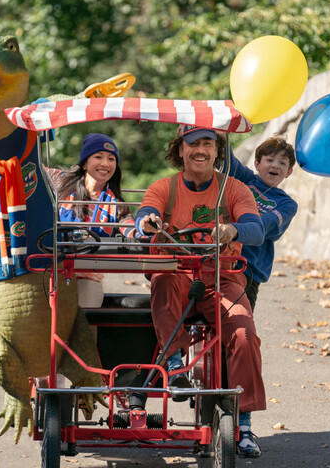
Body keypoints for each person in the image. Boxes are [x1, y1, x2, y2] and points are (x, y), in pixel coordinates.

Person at [134, 124, 266, 458]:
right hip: (176, 273)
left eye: (208, 144)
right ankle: (176, 366)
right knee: (162, 280)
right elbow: (145, 213)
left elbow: (256, 229)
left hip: (219, 276)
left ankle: (244, 423)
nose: (200, 150)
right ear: (180, 150)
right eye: (193, 144)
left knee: (245, 333)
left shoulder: (234, 189)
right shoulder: (165, 187)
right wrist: (148, 222)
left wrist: (233, 229)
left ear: (218, 150)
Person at [50, 133, 135, 309]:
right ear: (84, 163)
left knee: (86, 317)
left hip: (87, 276)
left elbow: (131, 228)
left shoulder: (116, 205)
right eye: (98, 157)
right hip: (51, 272)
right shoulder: (59, 181)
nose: (105, 163)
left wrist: (145, 228)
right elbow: (29, 170)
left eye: (111, 159)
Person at [224, 136, 298, 311]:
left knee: (240, 321)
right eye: (270, 160)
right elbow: (227, 159)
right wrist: (222, 135)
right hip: (220, 260)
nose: (275, 165)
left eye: (282, 163)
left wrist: (235, 229)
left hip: (248, 270)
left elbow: (263, 225)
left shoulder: (287, 205)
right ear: (257, 164)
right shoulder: (246, 179)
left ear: (289, 172)